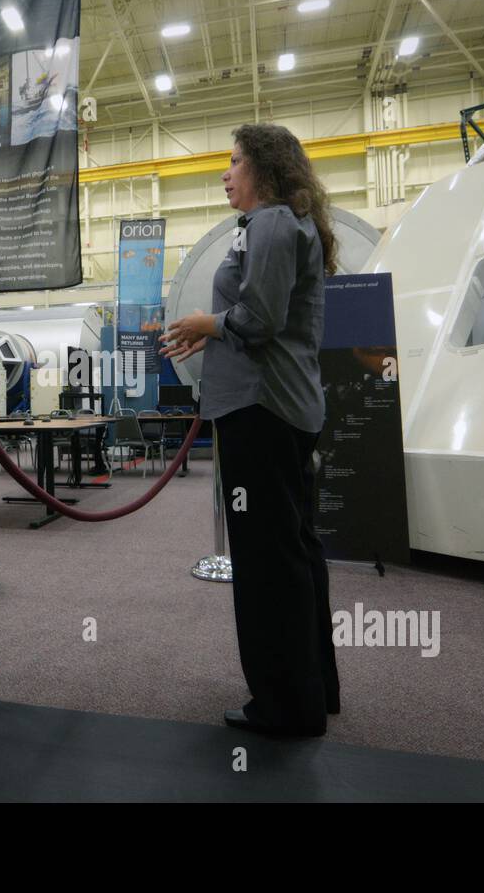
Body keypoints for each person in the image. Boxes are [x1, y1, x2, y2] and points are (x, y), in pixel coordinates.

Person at [162, 123, 341, 736]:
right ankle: (311, 691)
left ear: (263, 168)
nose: (225, 173)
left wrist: (205, 324)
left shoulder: (269, 224)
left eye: (234, 161)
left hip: (260, 409)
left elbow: (258, 318)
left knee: (267, 561)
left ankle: (285, 705)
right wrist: (209, 327)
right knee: (295, 551)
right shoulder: (288, 223)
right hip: (284, 409)